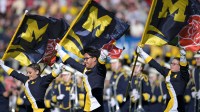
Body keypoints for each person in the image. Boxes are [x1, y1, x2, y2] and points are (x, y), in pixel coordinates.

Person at [55, 44, 108, 112]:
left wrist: (103, 56)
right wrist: (60, 51)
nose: (84, 61)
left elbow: (101, 64)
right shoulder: (85, 70)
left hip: (96, 108)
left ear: (94, 59)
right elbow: (72, 63)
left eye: (87, 59)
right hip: (87, 108)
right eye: (84, 59)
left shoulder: (99, 71)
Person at [137, 46, 189, 112]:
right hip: (169, 105)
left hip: (178, 107)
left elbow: (184, 67)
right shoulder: (168, 72)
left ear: (179, 66)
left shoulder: (183, 76)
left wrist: (183, 55)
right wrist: (142, 53)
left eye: (174, 64)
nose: (172, 65)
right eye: (171, 63)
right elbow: (155, 64)